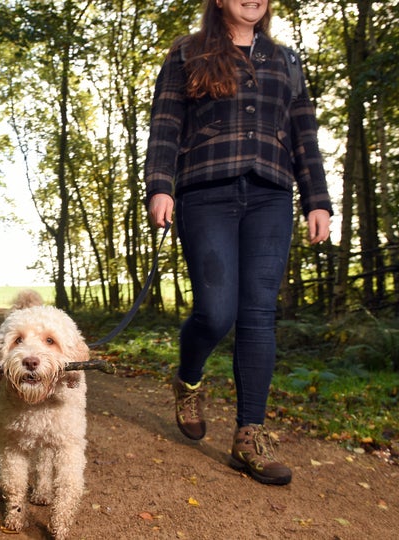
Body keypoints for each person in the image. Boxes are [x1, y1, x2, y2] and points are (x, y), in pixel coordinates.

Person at [144, 0, 332, 485]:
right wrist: (159, 184)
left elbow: (303, 133)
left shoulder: (286, 59)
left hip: (270, 193)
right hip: (206, 190)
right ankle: (188, 377)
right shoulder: (187, 53)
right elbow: (165, 122)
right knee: (216, 311)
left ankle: (251, 435)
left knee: (258, 314)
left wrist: (318, 200)